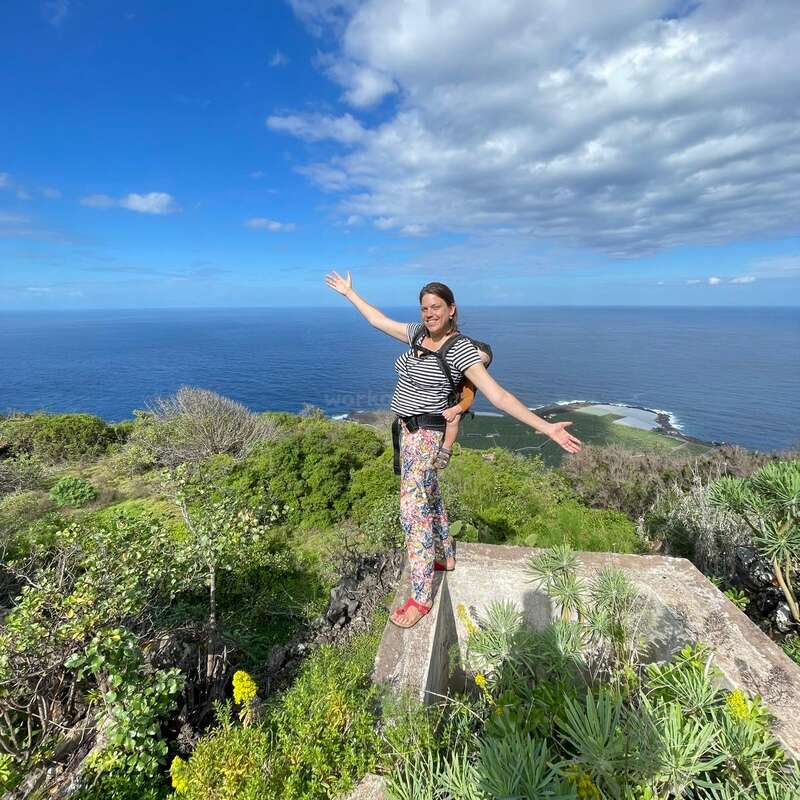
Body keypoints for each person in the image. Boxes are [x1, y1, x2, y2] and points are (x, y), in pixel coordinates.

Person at [325, 270, 582, 629]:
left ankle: (420, 596)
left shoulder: (460, 348)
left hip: (427, 435)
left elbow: (499, 396)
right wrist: (350, 293)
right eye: (424, 308)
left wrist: (547, 426)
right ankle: (444, 555)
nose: (428, 314)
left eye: (436, 307)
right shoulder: (416, 335)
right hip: (406, 431)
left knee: (412, 514)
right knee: (429, 497)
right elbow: (377, 320)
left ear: (451, 310)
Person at [434, 349, 491, 469]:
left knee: (454, 420)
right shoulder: (446, 366)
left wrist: (454, 410)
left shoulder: (468, 379)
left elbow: (468, 399)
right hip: (441, 400)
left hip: (456, 404)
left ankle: (446, 448)